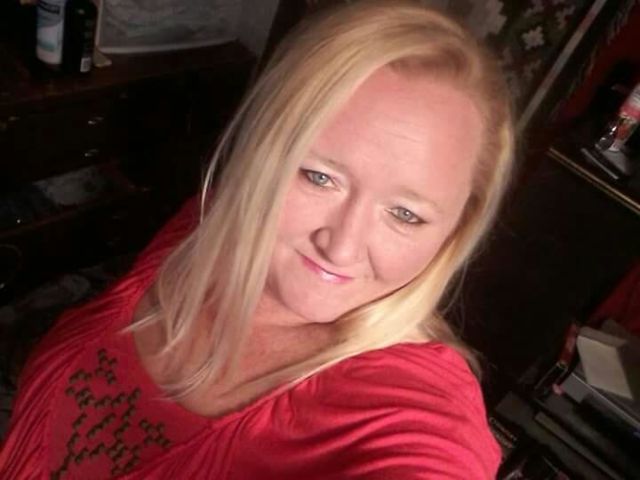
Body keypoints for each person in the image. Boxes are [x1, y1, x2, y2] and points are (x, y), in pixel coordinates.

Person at [0, 0, 514, 478]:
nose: (341, 247)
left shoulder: (414, 415)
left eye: (405, 214)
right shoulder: (210, 226)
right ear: (260, 152)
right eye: (318, 176)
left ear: (456, 228)